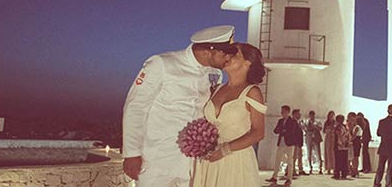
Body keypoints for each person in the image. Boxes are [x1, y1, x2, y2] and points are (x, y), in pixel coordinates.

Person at [122, 25, 236, 186]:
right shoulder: (162, 64)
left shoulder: (214, 73)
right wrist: (132, 153)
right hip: (158, 160)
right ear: (208, 51)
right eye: (225, 53)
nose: (228, 59)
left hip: (193, 163)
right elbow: (136, 107)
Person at [192, 43, 267, 187]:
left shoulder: (252, 92)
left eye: (234, 54)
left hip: (236, 159)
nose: (227, 56)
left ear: (247, 63)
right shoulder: (217, 89)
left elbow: (258, 132)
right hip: (209, 159)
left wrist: (225, 150)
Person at [266, 105, 302, 186]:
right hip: (281, 143)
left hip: (289, 143)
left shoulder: (293, 121)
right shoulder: (280, 121)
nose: (282, 112)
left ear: (287, 111)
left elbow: (291, 132)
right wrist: (283, 130)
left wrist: (282, 131)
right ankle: (274, 177)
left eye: (283, 111)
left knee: (290, 161)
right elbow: (275, 130)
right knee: (277, 160)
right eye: (282, 111)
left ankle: (289, 179)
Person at [304, 110, 323, 174]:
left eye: (313, 115)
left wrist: (315, 126)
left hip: (316, 138)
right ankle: (310, 167)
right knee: (309, 153)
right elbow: (304, 128)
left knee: (318, 153)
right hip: (309, 137)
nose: (312, 116)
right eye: (310, 115)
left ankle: (320, 167)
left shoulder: (317, 121)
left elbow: (320, 128)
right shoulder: (306, 121)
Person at [334, 114, 351, 179]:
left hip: (339, 145)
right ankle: (344, 173)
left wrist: (342, 142)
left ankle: (337, 173)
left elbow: (339, 136)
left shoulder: (337, 127)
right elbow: (348, 135)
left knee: (338, 160)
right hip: (344, 145)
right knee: (344, 160)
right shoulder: (345, 127)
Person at [291, 109, 306, 175]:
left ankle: (300, 169)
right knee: (294, 157)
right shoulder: (292, 122)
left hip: (299, 142)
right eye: (298, 113)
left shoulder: (299, 122)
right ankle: (292, 170)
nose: (300, 115)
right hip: (295, 142)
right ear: (294, 114)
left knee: (300, 156)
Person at [323, 110, 336, 175]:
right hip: (328, 138)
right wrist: (329, 130)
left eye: (333, 115)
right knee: (328, 152)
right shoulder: (326, 122)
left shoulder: (335, 122)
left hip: (333, 138)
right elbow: (324, 131)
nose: (332, 117)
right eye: (331, 115)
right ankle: (328, 168)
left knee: (333, 153)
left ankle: (334, 168)